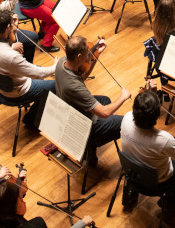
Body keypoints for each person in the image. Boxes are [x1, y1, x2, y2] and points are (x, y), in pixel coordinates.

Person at [120, 89, 175, 212]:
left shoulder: (127, 118)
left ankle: (132, 190)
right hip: (157, 185)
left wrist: (149, 95)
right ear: (157, 116)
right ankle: (170, 200)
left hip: (133, 174)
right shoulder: (162, 139)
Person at [56, 35, 131, 166]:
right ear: (79, 56)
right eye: (87, 55)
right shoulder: (74, 87)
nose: (88, 56)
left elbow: (83, 75)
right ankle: (91, 141)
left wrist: (95, 56)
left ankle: (91, 150)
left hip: (70, 110)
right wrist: (123, 97)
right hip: (84, 123)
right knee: (127, 122)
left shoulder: (62, 62)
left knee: (105, 99)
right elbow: (104, 113)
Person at [0, 8, 57, 122]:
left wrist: (13, 29)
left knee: (39, 70)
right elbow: (38, 74)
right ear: (8, 27)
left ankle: (39, 103)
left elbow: (6, 47)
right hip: (16, 92)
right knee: (56, 85)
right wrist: (55, 66)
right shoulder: (12, 57)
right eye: (12, 24)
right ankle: (32, 118)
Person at [0, 177, 95, 228]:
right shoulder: (35, 226)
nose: (23, 201)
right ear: (12, 208)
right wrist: (82, 223)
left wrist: (19, 187)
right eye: (20, 198)